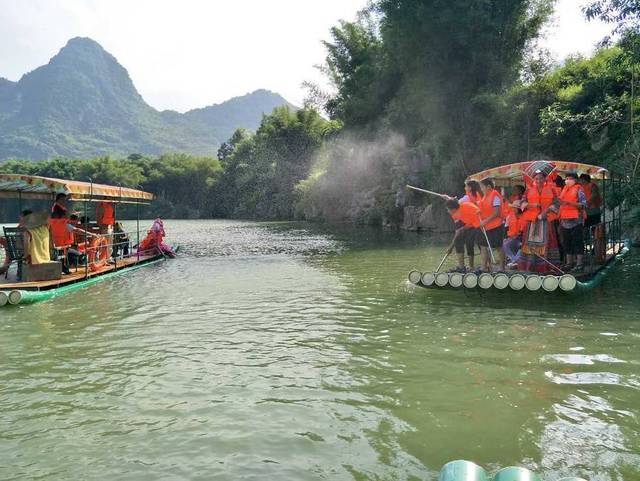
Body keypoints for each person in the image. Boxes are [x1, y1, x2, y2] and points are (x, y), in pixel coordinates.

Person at [517, 171, 561, 273]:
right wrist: (532, 205)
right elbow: (522, 203)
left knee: (549, 242)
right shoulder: (528, 191)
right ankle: (530, 266)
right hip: (532, 221)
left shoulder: (551, 190)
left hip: (547, 220)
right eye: (536, 179)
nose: (538, 181)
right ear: (534, 180)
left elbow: (557, 203)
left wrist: (547, 210)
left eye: (540, 178)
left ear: (545, 179)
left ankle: (549, 267)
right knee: (530, 244)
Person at [559, 172, 587, 272]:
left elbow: (583, 205)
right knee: (567, 243)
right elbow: (558, 203)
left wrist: (569, 203)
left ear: (576, 180)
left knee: (577, 243)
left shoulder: (579, 189)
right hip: (564, 221)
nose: (568, 180)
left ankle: (580, 264)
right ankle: (569, 263)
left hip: (576, 221)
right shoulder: (564, 190)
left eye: (570, 178)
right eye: (566, 178)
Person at [445, 199, 481, 272]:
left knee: (469, 242)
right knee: (458, 240)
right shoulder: (455, 214)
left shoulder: (462, 209)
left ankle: (471, 267)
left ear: (454, 209)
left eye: (448, 209)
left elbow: (459, 231)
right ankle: (461, 267)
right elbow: (458, 231)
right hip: (466, 225)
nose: (448, 211)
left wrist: (451, 247)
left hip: (476, 225)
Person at [478, 178, 506, 272]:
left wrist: (485, 221)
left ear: (488, 186)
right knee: (483, 246)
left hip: (496, 225)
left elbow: (496, 213)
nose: (481, 188)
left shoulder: (495, 196)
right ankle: (483, 267)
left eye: (482, 186)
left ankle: (502, 268)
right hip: (486, 226)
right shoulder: (484, 197)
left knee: (498, 247)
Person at [503, 200, 525, 268]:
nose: (513, 209)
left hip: (521, 238)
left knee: (522, 247)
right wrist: (505, 238)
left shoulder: (525, 217)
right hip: (511, 238)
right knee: (504, 244)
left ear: (519, 209)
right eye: (513, 207)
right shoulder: (509, 217)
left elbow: (523, 232)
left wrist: (521, 241)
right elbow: (505, 229)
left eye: (514, 208)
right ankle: (514, 260)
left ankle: (514, 262)